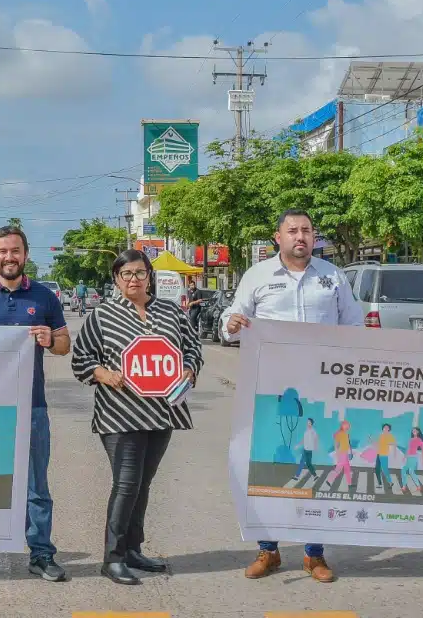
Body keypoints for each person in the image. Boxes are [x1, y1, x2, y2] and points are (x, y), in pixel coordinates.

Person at [224, 208, 365, 582]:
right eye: (292, 231)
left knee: (316, 468)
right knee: (271, 466)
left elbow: (354, 325)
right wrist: (232, 324)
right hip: (272, 389)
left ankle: (314, 554)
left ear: (314, 236)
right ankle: (267, 551)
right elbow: (231, 322)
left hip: (323, 391)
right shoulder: (257, 276)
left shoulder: (333, 277)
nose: (300, 237)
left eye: (306, 231)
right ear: (278, 237)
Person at [71, 249, 203, 585]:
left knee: (143, 484)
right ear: (116, 278)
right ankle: (112, 557)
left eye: (140, 273)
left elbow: (192, 348)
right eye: (126, 274)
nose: (133, 279)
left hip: (162, 413)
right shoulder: (102, 316)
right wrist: (103, 374)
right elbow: (81, 358)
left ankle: (132, 549)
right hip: (120, 415)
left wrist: (189, 370)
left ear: (149, 276)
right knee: (126, 484)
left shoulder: (170, 311)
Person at [0, 225, 70, 583]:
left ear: (26, 254)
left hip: (32, 405)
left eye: (15, 251)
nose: (9, 257)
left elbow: (64, 345)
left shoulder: (45, 297)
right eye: (3, 251)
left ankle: (40, 554)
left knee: (36, 485)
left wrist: (50, 339)